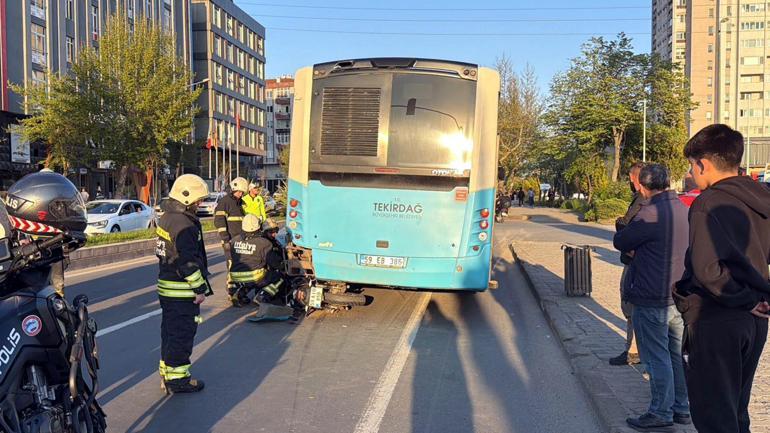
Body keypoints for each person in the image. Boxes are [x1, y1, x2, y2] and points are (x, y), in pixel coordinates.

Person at [673, 124, 770, 433]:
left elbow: (707, 270)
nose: (692, 173)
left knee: (715, 415)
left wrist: (745, 298)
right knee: (736, 410)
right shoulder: (762, 198)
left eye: (692, 166)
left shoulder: (708, 203)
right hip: (755, 322)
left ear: (704, 163)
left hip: (718, 319)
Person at [614, 163, 691, 430]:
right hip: (677, 297)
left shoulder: (649, 214)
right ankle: (681, 408)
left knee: (657, 357)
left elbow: (621, 242)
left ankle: (660, 412)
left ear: (643, 187)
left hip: (651, 296)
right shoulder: (683, 209)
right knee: (675, 356)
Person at [155, 174, 212, 394]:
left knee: (169, 332)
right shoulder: (184, 224)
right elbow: (188, 262)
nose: (200, 204)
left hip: (167, 286)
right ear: (187, 198)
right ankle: (178, 379)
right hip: (181, 290)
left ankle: (167, 370)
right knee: (182, 333)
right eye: (198, 200)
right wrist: (199, 289)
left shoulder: (167, 217)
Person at [5, 171, 88, 297]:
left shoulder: (52, 216)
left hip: (49, 251)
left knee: (55, 291)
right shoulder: (18, 215)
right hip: (26, 261)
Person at [610, 162, 645, 367]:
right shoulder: (639, 200)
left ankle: (633, 351)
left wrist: (621, 225)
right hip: (632, 259)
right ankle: (633, 348)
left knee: (630, 304)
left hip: (635, 261)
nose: (630, 183)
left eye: (631, 180)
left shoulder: (642, 202)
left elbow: (631, 230)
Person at [214, 177, 248, 306]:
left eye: (242, 192)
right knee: (232, 266)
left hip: (240, 240)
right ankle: (232, 293)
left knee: (242, 266)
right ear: (234, 189)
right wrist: (225, 239)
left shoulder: (240, 203)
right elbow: (219, 221)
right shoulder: (225, 202)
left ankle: (240, 292)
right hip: (230, 241)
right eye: (239, 192)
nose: (240, 194)